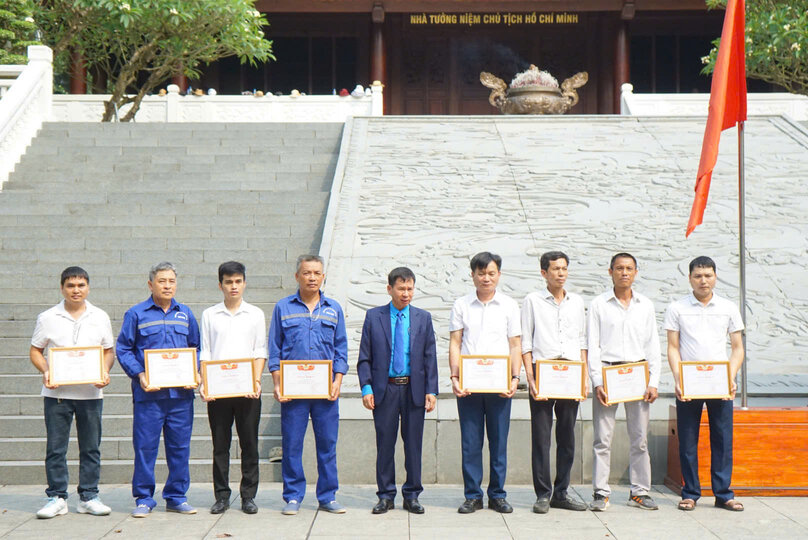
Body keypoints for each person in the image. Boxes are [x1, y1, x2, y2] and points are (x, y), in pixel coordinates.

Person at [116, 262, 200, 517]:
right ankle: (143, 497)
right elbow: (123, 348)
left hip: (181, 396)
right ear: (150, 284)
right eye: (162, 281)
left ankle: (176, 496)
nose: (167, 285)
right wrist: (139, 373)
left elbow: (196, 347)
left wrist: (195, 372)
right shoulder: (136, 314)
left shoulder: (185, 314)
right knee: (145, 447)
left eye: (171, 281)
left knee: (179, 447)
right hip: (149, 395)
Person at [29, 266, 115, 519]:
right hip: (57, 394)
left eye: (81, 285)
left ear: (88, 287)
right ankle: (56, 497)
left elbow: (108, 351)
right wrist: (46, 370)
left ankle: (89, 496)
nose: (76, 290)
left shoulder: (100, 316)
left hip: (90, 393)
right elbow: (35, 350)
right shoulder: (48, 317)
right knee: (56, 448)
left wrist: (104, 371)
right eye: (70, 286)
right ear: (62, 288)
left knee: (91, 448)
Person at [268, 254, 348, 515]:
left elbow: (341, 349)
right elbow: (275, 349)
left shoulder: (333, 309)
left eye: (316, 273)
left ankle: (327, 495)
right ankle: (293, 496)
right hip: (294, 392)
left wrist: (338, 381)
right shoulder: (283, 307)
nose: (312, 277)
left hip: (325, 391)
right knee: (292, 444)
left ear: (323, 276)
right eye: (306, 273)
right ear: (297, 276)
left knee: (327, 444)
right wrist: (278, 383)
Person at [664, 256, 745, 512]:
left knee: (722, 439)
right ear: (690, 278)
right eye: (698, 276)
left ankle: (723, 494)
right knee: (688, 440)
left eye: (708, 275)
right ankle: (690, 493)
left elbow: (737, 348)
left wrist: (730, 377)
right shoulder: (677, 308)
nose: (703, 280)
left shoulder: (728, 307)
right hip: (690, 384)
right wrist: (678, 379)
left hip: (720, 384)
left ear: (715, 277)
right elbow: (673, 348)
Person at [357, 267, 438, 515]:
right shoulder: (374, 317)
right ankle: (385, 495)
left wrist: (431, 390)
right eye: (401, 288)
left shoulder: (422, 318)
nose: (406, 294)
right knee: (385, 444)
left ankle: (412, 495)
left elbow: (430, 357)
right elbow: (364, 357)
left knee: (413, 444)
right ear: (389, 288)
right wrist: (366, 388)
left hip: (414, 389)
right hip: (385, 390)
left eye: (410, 289)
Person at [587, 253, 660, 511]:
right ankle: (600, 492)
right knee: (602, 439)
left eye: (629, 268)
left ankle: (639, 491)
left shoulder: (645, 305)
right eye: (619, 268)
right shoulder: (599, 304)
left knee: (639, 438)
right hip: (609, 375)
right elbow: (592, 345)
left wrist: (654, 381)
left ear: (636, 272)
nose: (624, 273)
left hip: (638, 377)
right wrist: (597, 380)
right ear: (610, 272)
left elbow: (653, 346)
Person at [449, 252, 521, 514]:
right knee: (470, 442)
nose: (486, 278)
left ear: (499, 275)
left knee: (499, 442)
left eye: (491, 273)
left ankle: (498, 495)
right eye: (481, 273)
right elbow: (455, 342)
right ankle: (472, 495)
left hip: (499, 386)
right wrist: (455, 377)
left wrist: (515, 377)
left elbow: (515, 344)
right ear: (473, 275)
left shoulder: (510, 306)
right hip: (469, 386)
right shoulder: (461, 305)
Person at [521, 251, 588, 514]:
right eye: (555, 269)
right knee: (541, 436)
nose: (560, 273)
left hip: (571, 370)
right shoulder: (532, 301)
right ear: (543, 273)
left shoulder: (577, 301)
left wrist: (583, 377)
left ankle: (562, 492)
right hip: (543, 370)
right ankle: (542, 493)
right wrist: (531, 378)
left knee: (567, 436)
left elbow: (582, 342)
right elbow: (526, 342)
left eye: (564, 269)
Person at [199, 261, 266, 515]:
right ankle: (222, 496)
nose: (234, 286)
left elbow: (260, 350)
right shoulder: (209, 314)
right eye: (228, 282)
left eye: (238, 281)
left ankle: (248, 495)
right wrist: (205, 383)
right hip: (219, 390)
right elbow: (205, 351)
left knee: (249, 444)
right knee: (220, 445)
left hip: (248, 389)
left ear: (245, 283)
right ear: (220, 285)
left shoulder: (255, 314)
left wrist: (256, 380)